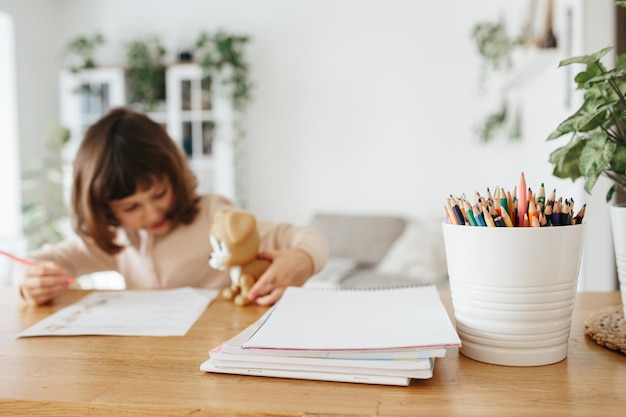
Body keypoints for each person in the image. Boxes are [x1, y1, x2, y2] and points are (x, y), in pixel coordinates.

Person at [18, 107, 328, 306]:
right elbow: (37, 262)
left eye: (158, 194)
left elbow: (308, 237)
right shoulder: (117, 241)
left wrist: (302, 259)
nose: (152, 214)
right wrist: (29, 282)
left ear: (175, 176)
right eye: (131, 207)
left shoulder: (213, 216)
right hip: (156, 367)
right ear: (106, 209)